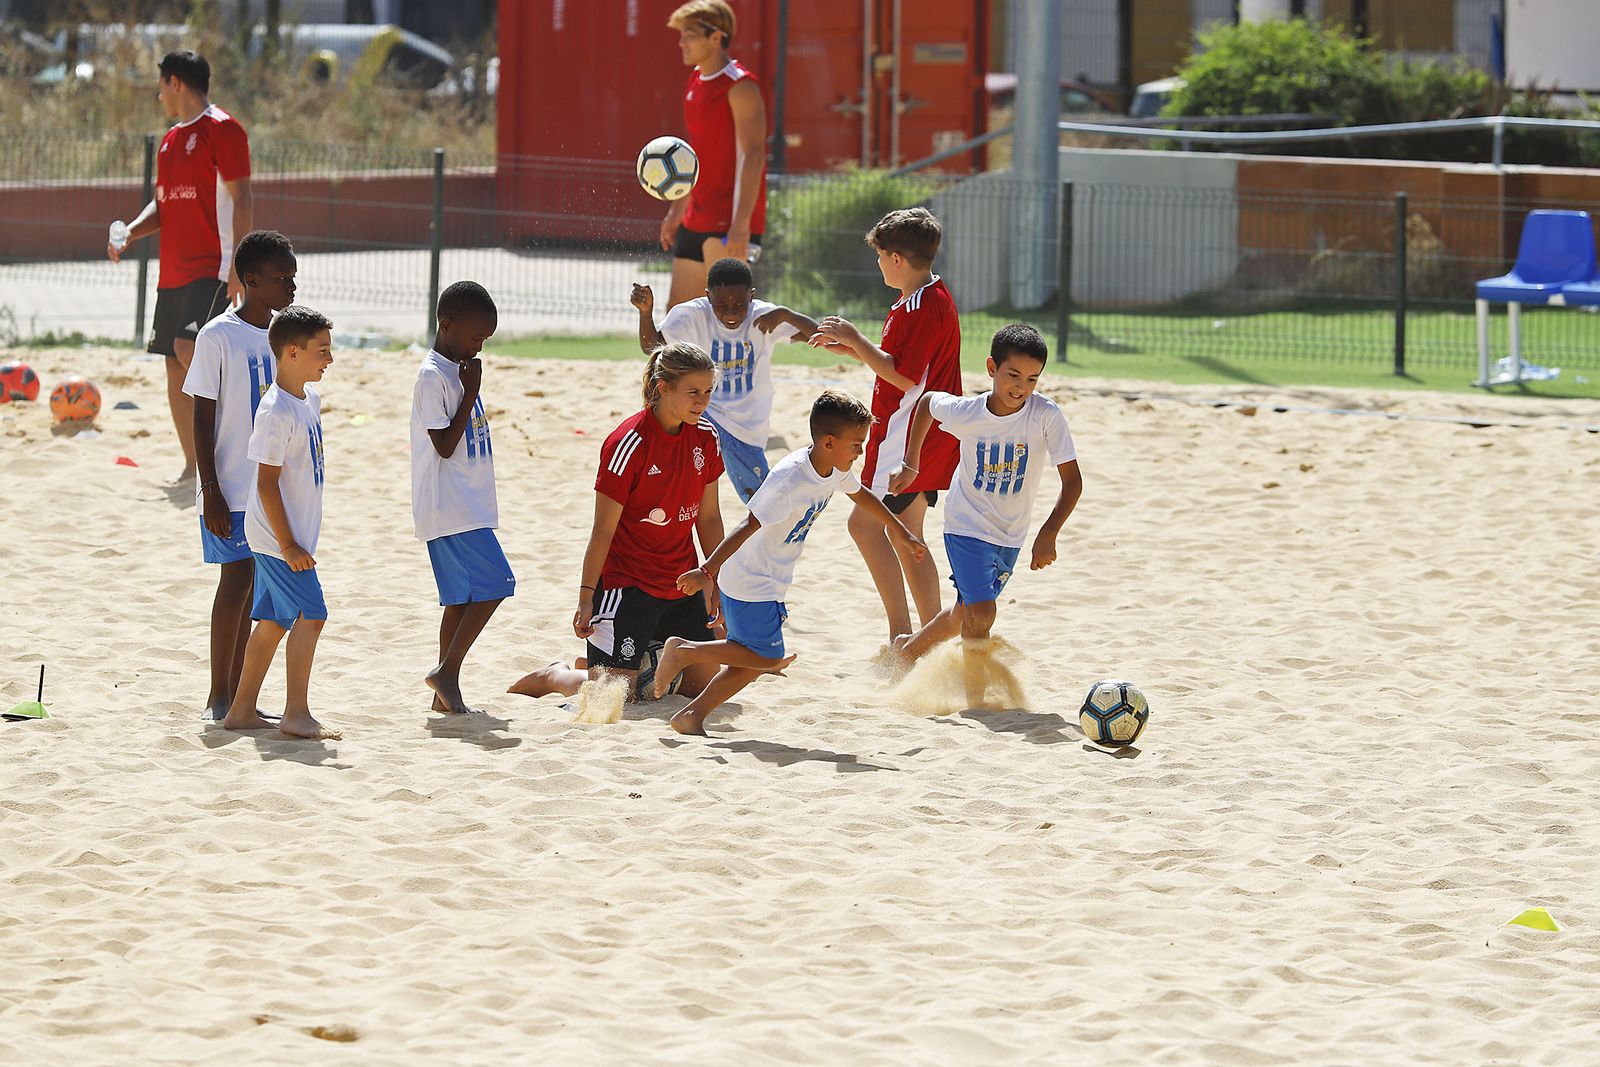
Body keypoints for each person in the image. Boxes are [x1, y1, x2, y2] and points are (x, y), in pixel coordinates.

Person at [659, 389, 927, 735]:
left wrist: (900, 530)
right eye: (856, 444)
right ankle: (684, 651)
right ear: (828, 442)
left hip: (771, 578)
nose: (860, 452)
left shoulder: (834, 466)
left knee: (749, 663)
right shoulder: (791, 477)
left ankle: (691, 716)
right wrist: (707, 571)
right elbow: (748, 524)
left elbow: (861, 495)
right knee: (767, 658)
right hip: (751, 578)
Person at [508, 341, 726, 704]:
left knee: (700, 688)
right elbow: (602, 531)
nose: (702, 401)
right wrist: (585, 598)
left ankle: (614, 662)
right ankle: (557, 674)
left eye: (707, 391)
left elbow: (709, 517)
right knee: (614, 699)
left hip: (681, 583)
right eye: (693, 392)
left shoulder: (706, 436)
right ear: (663, 388)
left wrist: (717, 578)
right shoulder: (628, 443)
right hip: (627, 585)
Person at [887, 324, 1083, 708]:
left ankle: (908, 652)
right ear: (992, 368)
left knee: (964, 613)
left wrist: (1049, 533)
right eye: (1013, 375)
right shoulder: (968, 412)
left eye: (1032, 379)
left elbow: (1072, 482)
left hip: (1010, 535)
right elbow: (926, 404)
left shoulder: (1045, 415)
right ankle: (975, 698)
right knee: (982, 610)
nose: (1021, 387)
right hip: (966, 524)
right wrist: (911, 464)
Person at [808, 207, 962, 644]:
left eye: (879, 255)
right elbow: (902, 363)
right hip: (924, 435)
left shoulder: (920, 306)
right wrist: (853, 350)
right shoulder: (930, 294)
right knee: (904, 535)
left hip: (905, 438)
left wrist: (856, 338)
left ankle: (907, 634)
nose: (877, 263)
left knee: (867, 527)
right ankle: (928, 637)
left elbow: (905, 376)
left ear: (896, 258)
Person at [108, 50, 253, 485]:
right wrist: (131, 232)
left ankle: (240, 436)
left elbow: (243, 197)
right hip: (172, 271)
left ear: (175, 83)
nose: (159, 96)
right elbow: (163, 203)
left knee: (189, 349)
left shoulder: (223, 129)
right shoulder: (170, 140)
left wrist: (239, 263)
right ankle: (194, 468)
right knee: (174, 363)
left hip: (214, 265)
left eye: (160, 87)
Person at [183, 229, 297, 721]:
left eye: (293, 278)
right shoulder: (217, 336)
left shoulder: (284, 337)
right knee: (234, 583)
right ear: (250, 279)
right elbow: (202, 416)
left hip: (268, 488)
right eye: (281, 278)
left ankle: (240, 698)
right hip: (228, 487)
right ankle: (218, 695)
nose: (291, 287)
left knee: (253, 589)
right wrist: (208, 487)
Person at [220, 305, 339, 740]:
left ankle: (241, 711)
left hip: (288, 534)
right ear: (292, 352)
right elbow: (266, 484)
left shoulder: (310, 400)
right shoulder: (275, 411)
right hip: (276, 538)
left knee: (272, 622)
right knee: (312, 614)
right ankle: (296, 713)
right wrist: (288, 544)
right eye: (321, 351)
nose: (330, 359)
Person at [631, 257, 817, 503]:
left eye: (739, 305)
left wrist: (786, 314)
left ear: (751, 296)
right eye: (721, 305)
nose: (730, 313)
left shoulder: (764, 317)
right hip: (703, 411)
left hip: (745, 426)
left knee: (762, 501)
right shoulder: (692, 315)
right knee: (684, 468)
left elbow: (818, 336)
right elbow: (652, 347)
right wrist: (645, 313)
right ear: (708, 297)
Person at [412, 281, 513, 716]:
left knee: (459, 601)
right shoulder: (433, 376)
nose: (480, 347)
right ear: (446, 324)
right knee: (498, 584)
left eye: (485, 339)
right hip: (450, 507)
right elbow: (444, 445)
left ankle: (442, 695)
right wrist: (470, 391)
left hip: (467, 504)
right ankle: (447, 672)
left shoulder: (460, 367)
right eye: (475, 337)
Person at [660, 1, 768, 309]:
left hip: (728, 223)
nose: (681, 42)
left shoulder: (740, 85)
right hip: (696, 217)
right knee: (677, 318)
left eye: (690, 35)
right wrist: (676, 211)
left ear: (716, 37)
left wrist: (742, 223)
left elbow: (754, 155)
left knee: (726, 318)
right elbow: (692, 158)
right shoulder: (696, 80)